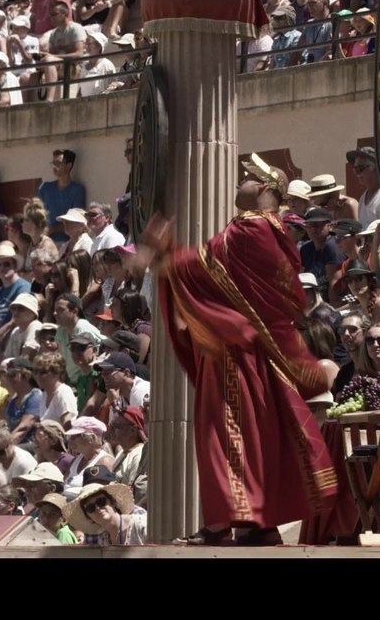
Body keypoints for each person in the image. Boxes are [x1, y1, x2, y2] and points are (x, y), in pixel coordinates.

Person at [142, 172, 337, 546]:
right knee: (253, 436)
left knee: (221, 434)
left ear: (265, 189)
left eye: (250, 177)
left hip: (234, 352)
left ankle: (222, 524)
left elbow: (200, 266)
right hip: (247, 351)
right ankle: (255, 523)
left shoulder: (249, 229)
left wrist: (165, 254)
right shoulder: (269, 231)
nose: (241, 180)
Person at [39, 149, 86, 243]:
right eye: (53, 163)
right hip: (45, 242)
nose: (54, 166)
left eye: (58, 163)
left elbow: (77, 220)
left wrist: (52, 230)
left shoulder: (77, 190)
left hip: (67, 242)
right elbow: (38, 215)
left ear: (69, 166)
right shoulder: (45, 188)